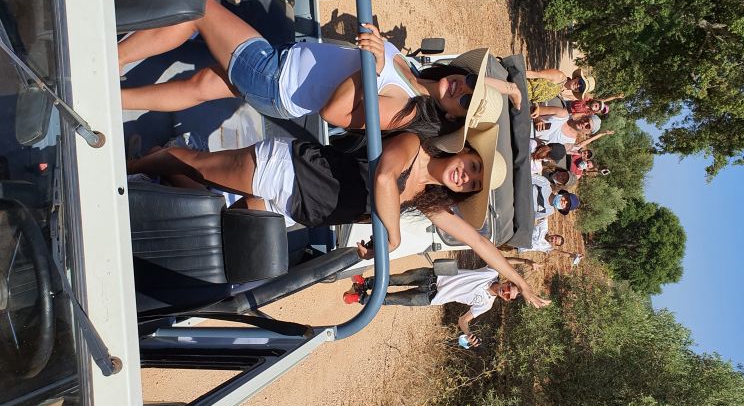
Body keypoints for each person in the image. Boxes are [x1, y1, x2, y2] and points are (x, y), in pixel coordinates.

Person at [127, 127, 551, 308]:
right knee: (199, 164)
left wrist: (520, 282)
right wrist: (392, 235)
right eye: (472, 166)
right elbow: (384, 176)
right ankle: (126, 166)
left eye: (471, 183)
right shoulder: (414, 145)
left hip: (297, 207)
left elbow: (477, 242)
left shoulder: (431, 200)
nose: (465, 176)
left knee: (221, 229)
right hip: (291, 169)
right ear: (462, 150)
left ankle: (161, 168)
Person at [118, 0, 520, 138]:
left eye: (465, 101)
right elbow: (468, 85)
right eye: (467, 80)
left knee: (199, 11)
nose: (460, 88)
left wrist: (372, 64)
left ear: (452, 118)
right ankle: (113, 100)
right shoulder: (417, 70)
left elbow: (335, 115)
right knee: (202, 85)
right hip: (283, 76)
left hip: (276, 78)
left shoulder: (405, 109)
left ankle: (107, 63)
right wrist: (507, 89)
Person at [344, 258, 536, 346]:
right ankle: (365, 283)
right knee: (396, 279)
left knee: (392, 299)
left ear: (507, 299)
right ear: (507, 281)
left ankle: (360, 298)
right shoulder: (491, 273)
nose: (506, 291)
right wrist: (526, 261)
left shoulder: (486, 305)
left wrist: (468, 334)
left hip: (432, 298)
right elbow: (502, 260)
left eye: (508, 295)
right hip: (434, 276)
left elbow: (463, 320)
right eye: (509, 287)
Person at [533, 112, 613, 150]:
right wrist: (537, 118)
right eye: (586, 120)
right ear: (583, 117)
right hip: (523, 125)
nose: (584, 123)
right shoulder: (563, 114)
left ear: (587, 132)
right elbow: (534, 110)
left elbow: (545, 152)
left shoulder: (568, 143)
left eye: (588, 126)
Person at [525, 67, 595, 103]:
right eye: (581, 83)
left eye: (581, 88)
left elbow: (536, 94)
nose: (578, 86)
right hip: (520, 85)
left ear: (578, 92)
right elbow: (533, 74)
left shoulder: (560, 91)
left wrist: (536, 105)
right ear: (577, 78)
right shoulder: (559, 76)